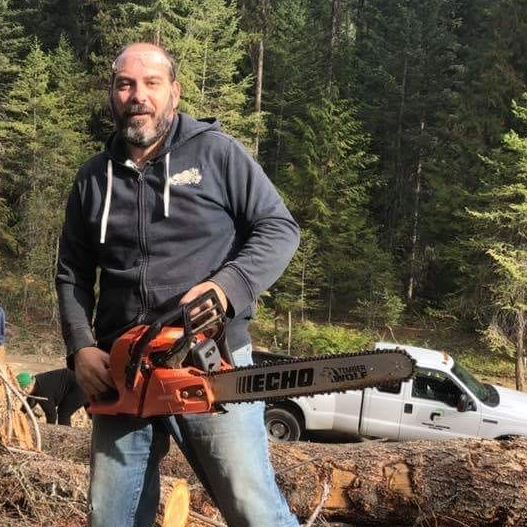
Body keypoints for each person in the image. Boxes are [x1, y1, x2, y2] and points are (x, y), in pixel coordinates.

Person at [56, 42, 300, 527]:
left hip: (211, 361)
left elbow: (279, 228)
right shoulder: (93, 179)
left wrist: (227, 288)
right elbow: (72, 275)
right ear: (112, 93)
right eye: (125, 84)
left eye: (151, 83)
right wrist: (81, 347)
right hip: (122, 370)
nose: (137, 96)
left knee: (253, 507)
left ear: (174, 92)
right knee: (111, 517)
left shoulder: (217, 153)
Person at [16, 368, 88, 426]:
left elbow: (51, 415)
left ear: (27, 387)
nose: (22, 393)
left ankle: (66, 437)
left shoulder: (42, 391)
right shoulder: (36, 383)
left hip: (80, 387)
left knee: (63, 413)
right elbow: (30, 402)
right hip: (84, 381)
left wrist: (50, 431)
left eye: (22, 391)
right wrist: (19, 414)